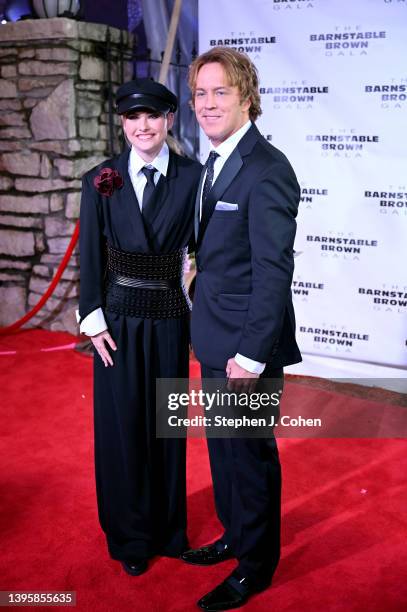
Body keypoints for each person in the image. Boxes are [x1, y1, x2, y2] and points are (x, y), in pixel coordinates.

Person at [181, 47, 302, 609]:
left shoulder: (268, 168)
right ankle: (235, 535)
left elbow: (274, 273)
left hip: (246, 348)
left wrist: (252, 357)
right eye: (200, 93)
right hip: (212, 334)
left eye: (219, 92)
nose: (207, 104)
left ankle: (255, 566)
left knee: (249, 454)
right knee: (225, 450)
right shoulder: (214, 161)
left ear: (247, 97)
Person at [78, 78, 201, 576]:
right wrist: (92, 319)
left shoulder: (194, 176)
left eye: (152, 116)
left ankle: (170, 530)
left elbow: (207, 252)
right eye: (133, 117)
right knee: (122, 429)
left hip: (171, 316)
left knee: (166, 428)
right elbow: (89, 254)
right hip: (118, 322)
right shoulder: (101, 177)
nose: (143, 126)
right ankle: (130, 536)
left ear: (169, 120)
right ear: (123, 123)